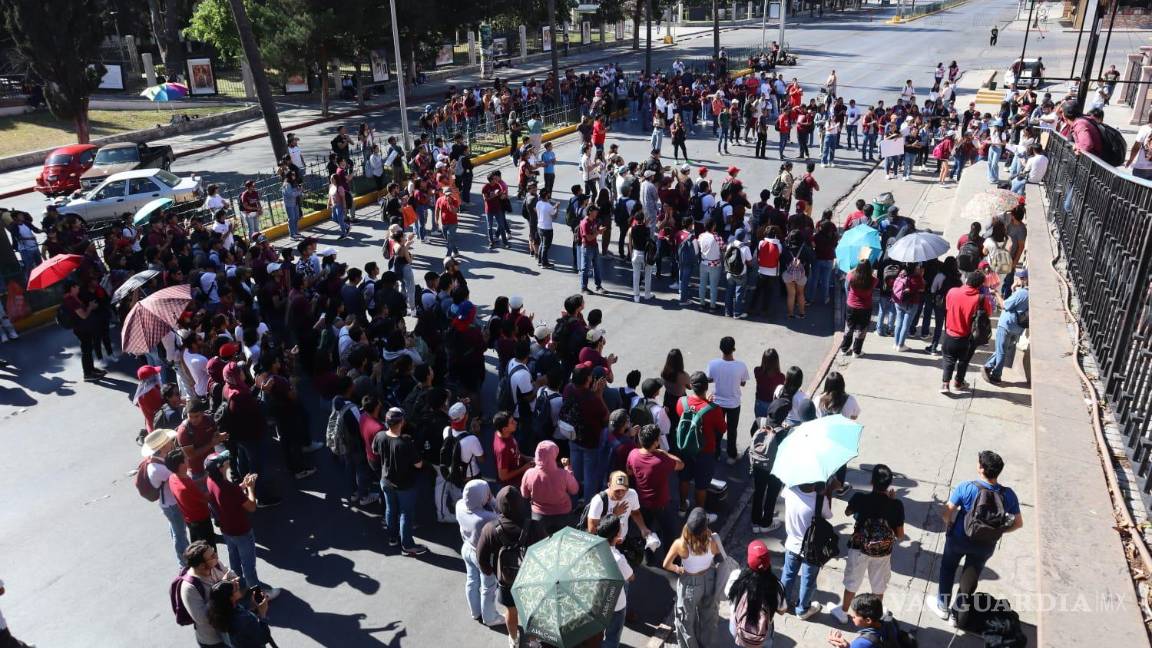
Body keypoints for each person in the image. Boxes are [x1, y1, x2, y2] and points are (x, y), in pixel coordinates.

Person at [928, 451, 1023, 621]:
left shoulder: (966, 487)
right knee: (970, 579)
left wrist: (949, 524)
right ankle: (957, 616)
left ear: (981, 469)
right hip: (985, 545)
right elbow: (1018, 523)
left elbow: (947, 512)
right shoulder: (1008, 495)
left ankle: (942, 606)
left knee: (948, 568)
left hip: (959, 539)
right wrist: (1000, 531)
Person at [828, 464, 904, 625]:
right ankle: (876, 615)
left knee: (852, 581)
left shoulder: (860, 498)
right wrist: (891, 502)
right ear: (889, 484)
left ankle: (843, 612)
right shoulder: (896, 505)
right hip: (883, 552)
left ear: (871, 481)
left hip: (859, 549)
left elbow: (847, 512)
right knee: (879, 584)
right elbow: (900, 535)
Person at [476, 486, 545, 648]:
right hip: (531, 580)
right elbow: (545, 553)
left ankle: (513, 639)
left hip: (506, 581)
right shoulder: (534, 526)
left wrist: (493, 572)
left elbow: (481, 558)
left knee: (511, 612)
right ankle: (533, 641)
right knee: (532, 613)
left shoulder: (490, 528)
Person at [204, 451, 281, 597]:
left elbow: (229, 496)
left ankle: (238, 588)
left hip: (227, 530)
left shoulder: (210, 481)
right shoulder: (229, 488)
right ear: (221, 468)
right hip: (241, 531)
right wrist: (250, 488)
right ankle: (259, 596)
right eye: (224, 460)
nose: (227, 460)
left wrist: (242, 486)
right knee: (249, 567)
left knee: (235, 563)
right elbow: (251, 506)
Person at [663, 508, 722, 648]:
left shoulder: (681, 544)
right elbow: (717, 556)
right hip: (710, 578)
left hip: (690, 582)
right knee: (709, 615)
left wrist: (678, 569)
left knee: (686, 620)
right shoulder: (714, 539)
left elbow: (666, 564)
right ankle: (708, 644)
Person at [373, 407, 429, 556]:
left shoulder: (379, 436)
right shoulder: (405, 442)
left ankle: (393, 538)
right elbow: (418, 464)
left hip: (385, 481)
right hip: (404, 484)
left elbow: (375, 451)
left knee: (390, 509)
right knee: (405, 513)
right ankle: (408, 545)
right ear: (402, 422)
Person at [780, 481, 832, 620]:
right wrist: (828, 492)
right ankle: (802, 610)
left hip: (791, 544)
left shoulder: (789, 489)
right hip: (812, 549)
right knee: (808, 580)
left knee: (788, 574)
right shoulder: (820, 499)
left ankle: (782, 604)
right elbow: (828, 516)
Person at [456, 479, 504, 627]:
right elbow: (501, 515)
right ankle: (490, 618)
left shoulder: (460, 505)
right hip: (482, 555)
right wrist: (493, 500)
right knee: (488, 587)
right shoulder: (486, 517)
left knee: (471, 580)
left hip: (466, 548)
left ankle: (475, 612)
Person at [139, 427, 190, 566]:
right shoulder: (158, 468)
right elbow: (179, 477)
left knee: (176, 529)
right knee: (180, 534)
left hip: (169, 503)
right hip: (172, 504)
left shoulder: (159, 460)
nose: (171, 441)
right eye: (168, 441)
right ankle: (184, 563)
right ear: (162, 447)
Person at [724, 539, 785, 648]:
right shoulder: (776, 585)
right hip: (762, 635)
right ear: (768, 562)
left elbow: (727, 594)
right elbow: (782, 610)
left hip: (738, 629)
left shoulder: (736, 577)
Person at [940, 271, 993, 395]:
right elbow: (988, 313)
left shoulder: (952, 292)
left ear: (966, 280)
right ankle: (958, 383)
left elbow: (947, 307)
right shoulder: (980, 299)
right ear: (980, 285)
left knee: (948, 359)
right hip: (967, 337)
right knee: (963, 361)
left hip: (949, 333)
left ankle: (945, 384)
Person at [179, 541, 237, 648]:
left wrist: (232, 582)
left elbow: (231, 574)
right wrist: (221, 589)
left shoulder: (215, 564)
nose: (216, 555)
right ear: (201, 566)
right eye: (212, 555)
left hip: (232, 627)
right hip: (214, 641)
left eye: (214, 552)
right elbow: (202, 619)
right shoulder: (189, 588)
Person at [519, 440, 579, 534]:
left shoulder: (529, 473)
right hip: (563, 515)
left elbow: (524, 494)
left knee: (541, 544)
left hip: (539, 516)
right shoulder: (563, 474)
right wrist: (568, 468)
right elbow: (574, 490)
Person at [705, 338, 749, 465]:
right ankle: (731, 455)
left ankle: (716, 453)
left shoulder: (713, 364)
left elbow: (708, 379)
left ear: (720, 348)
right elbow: (743, 382)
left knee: (717, 429)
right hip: (734, 403)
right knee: (732, 429)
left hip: (717, 402)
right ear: (733, 349)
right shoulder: (740, 365)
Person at [983, 268, 1029, 384]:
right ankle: (988, 366)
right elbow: (1017, 304)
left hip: (1007, 325)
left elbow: (1004, 305)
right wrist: (1013, 288)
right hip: (1017, 329)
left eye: (1019, 277)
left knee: (1001, 351)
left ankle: (996, 376)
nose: (1017, 279)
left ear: (1023, 279)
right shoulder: (1027, 293)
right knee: (1001, 350)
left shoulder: (1022, 293)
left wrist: (996, 293)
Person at [596, 514, 635, 648]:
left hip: (596, 602)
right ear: (617, 533)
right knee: (612, 638)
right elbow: (630, 577)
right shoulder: (618, 559)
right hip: (615, 604)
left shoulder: (592, 549)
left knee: (597, 635)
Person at [206, 580, 275, 647]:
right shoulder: (245, 620)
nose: (237, 584)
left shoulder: (217, 612)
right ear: (231, 598)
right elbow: (264, 637)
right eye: (235, 588)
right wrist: (262, 613)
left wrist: (254, 607)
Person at [60, 279, 104, 381]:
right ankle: (87, 374)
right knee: (86, 350)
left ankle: (91, 369)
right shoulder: (70, 300)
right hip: (81, 328)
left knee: (88, 349)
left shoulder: (72, 297)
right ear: (72, 288)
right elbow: (83, 315)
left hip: (82, 327)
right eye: (76, 286)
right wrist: (90, 307)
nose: (79, 288)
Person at [827, 594, 907, 648]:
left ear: (868, 620)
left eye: (855, 616)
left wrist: (847, 646)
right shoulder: (890, 620)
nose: (852, 616)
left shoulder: (862, 643)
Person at [840, 260, 876, 357]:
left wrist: (856, 268)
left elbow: (849, 275)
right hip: (865, 307)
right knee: (862, 329)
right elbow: (874, 282)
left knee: (849, 327)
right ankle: (856, 351)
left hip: (851, 305)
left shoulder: (851, 276)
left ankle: (844, 349)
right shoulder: (873, 280)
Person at [493, 411, 533, 488]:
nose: (516, 422)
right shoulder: (502, 450)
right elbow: (503, 477)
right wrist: (524, 468)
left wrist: (527, 458)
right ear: (504, 429)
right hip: (513, 485)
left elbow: (515, 452)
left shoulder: (504, 433)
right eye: (512, 422)